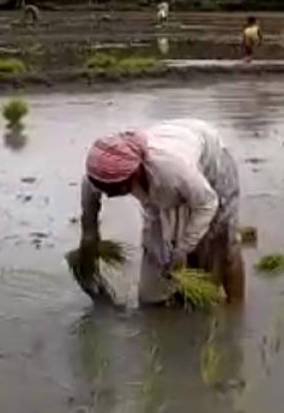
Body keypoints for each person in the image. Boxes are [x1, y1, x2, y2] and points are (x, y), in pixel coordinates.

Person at [78, 119, 245, 305]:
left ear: (135, 174)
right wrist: (89, 234)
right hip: (173, 153)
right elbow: (92, 196)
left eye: (115, 189)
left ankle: (235, 308)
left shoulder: (172, 170)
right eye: (103, 188)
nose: (108, 194)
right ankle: (164, 302)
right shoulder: (103, 173)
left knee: (222, 244)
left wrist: (183, 249)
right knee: (157, 253)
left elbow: (207, 203)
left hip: (211, 160)